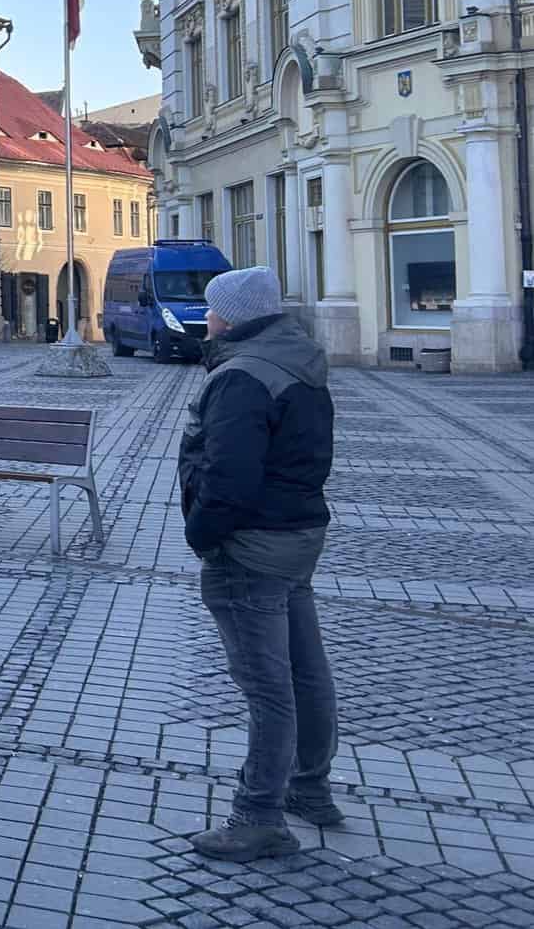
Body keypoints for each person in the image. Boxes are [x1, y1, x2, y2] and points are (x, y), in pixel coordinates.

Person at [178, 267, 338, 863]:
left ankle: (259, 815)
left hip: (251, 546)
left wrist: (204, 536)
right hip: (298, 534)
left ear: (235, 315)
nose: (208, 317)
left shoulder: (243, 375)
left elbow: (231, 476)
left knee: (268, 687)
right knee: (304, 671)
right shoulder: (298, 359)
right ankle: (310, 787)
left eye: (214, 308)